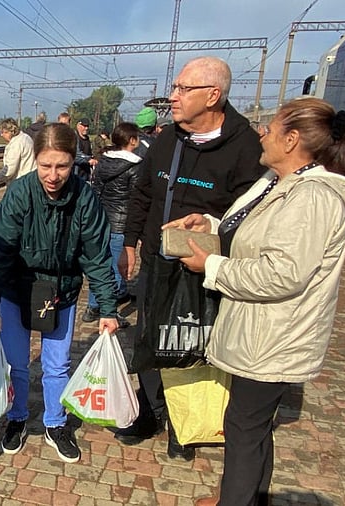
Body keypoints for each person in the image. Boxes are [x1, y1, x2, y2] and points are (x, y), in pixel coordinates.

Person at [162, 97, 345, 506]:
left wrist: (212, 266)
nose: (263, 133)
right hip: (260, 331)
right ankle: (252, 497)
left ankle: (235, 501)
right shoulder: (278, 183)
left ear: (292, 140)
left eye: (271, 128)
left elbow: (282, 273)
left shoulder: (311, 198)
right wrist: (210, 225)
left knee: (243, 426)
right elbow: (256, 235)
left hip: (274, 336)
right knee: (252, 425)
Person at [117, 56, 265, 461]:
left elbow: (253, 214)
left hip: (206, 269)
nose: (173, 97)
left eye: (184, 89)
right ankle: (149, 411)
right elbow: (143, 193)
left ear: (213, 95)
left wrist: (213, 225)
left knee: (191, 343)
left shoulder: (246, 147)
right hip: (157, 263)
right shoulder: (168, 139)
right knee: (150, 338)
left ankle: (186, 424)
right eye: (175, 87)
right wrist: (130, 242)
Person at [0, 122, 120, 464]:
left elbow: (97, 255)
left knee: (57, 365)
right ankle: (16, 418)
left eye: (62, 166)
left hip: (61, 291)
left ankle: (56, 423)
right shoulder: (20, 194)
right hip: (16, 290)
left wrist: (108, 307)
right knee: (17, 363)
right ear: (36, 160)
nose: (53, 175)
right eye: (46, 165)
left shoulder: (84, 197)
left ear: (75, 162)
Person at [82, 122, 142, 325]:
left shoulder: (102, 162)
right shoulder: (135, 167)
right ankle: (111, 311)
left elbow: (95, 191)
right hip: (121, 224)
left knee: (98, 264)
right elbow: (136, 200)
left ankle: (93, 306)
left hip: (100, 221)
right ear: (132, 140)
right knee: (116, 268)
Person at [0, 117, 36, 186]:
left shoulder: (16, 144)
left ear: (11, 131)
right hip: (30, 180)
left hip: (20, 184)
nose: (1, 135)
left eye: (4, 132)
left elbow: (9, 170)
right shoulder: (26, 137)